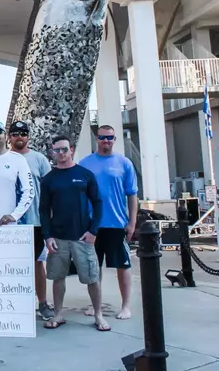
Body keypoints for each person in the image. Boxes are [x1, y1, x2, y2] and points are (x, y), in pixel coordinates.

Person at [39, 136, 108, 331]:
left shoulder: (85, 175)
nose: (60, 154)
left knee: (92, 278)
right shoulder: (49, 179)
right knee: (58, 277)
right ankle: (58, 314)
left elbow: (98, 203)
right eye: (56, 151)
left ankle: (98, 315)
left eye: (63, 150)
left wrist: (93, 231)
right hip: (58, 238)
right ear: (53, 152)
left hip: (82, 237)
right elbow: (43, 210)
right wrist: (47, 236)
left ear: (71, 149)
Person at [79, 125, 139, 320]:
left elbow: (132, 195)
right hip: (93, 225)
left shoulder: (124, 163)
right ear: (97, 138)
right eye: (103, 137)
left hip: (117, 224)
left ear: (115, 139)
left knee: (123, 266)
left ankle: (126, 306)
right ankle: (95, 305)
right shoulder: (85, 163)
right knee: (94, 268)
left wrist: (132, 222)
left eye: (110, 138)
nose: (106, 141)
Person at [8, 120, 55, 320]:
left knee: (37, 263)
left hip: (35, 221)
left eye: (23, 133)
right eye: (16, 133)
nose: (20, 137)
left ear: (28, 136)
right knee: (12, 265)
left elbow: (51, 189)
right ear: (9, 137)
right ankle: (15, 303)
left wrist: (51, 219)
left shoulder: (39, 159)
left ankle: (42, 303)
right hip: (9, 223)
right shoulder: (2, 158)